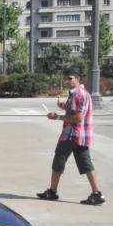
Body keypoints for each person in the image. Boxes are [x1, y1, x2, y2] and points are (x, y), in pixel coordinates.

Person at [38, 66, 105, 205]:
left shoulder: (78, 94)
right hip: (81, 136)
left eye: (70, 78)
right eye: (65, 79)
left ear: (78, 79)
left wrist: (57, 117)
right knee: (86, 164)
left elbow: (78, 118)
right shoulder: (78, 93)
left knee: (58, 161)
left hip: (72, 135)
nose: (67, 81)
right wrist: (64, 106)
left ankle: (52, 191)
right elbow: (74, 111)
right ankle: (97, 193)